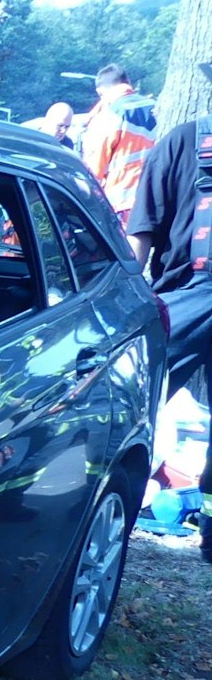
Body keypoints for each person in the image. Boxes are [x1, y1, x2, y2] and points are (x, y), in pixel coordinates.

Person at [126, 61, 212, 560]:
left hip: (183, 300)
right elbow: (142, 234)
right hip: (183, 295)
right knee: (135, 401)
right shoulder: (181, 143)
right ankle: (107, 504)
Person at [82, 64, 158, 225]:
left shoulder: (108, 116)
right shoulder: (156, 108)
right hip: (156, 198)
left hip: (122, 205)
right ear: (127, 83)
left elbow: (93, 171)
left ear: (100, 92)